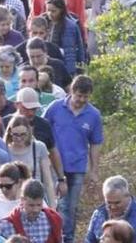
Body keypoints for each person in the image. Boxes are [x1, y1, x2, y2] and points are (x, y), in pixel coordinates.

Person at [42, 76, 103, 243]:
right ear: (71, 92)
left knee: (71, 207)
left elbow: (95, 143)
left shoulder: (94, 115)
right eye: (79, 96)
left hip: (77, 166)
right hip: (54, 165)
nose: (81, 100)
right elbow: (42, 129)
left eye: (85, 97)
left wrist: (94, 170)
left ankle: (67, 238)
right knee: (55, 204)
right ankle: (52, 236)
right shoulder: (55, 108)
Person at [84, 176, 136, 243]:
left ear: (127, 196)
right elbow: (89, 240)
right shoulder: (98, 214)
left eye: (117, 203)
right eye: (109, 203)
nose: (113, 207)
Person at [4, 114, 57, 208]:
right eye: (15, 135)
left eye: (22, 134)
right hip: (11, 200)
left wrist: (52, 205)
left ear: (28, 132)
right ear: (10, 133)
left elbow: (47, 180)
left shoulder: (39, 147)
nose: (19, 138)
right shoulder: (4, 149)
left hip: (35, 198)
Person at [0, 179, 64, 242]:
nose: (36, 210)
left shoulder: (53, 221)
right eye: (31, 205)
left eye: (39, 205)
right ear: (22, 200)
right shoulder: (6, 226)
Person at [43, 0, 85, 76]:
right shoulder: (44, 22)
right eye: (48, 10)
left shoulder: (70, 26)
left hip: (64, 66)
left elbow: (71, 51)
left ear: (61, 10)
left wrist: (74, 70)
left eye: (53, 11)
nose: (50, 13)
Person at [0, 162, 32, 231]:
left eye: (8, 186)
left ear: (19, 183)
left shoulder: (31, 199)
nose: (3, 189)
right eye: (0, 186)